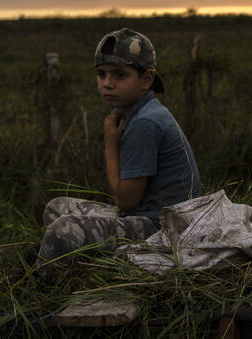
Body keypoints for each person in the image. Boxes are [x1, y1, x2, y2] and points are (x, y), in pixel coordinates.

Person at [37, 28, 202, 269]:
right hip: (147, 216)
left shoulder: (146, 122)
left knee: (64, 229)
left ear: (146, 79)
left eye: (119, 75)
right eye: (101, 75)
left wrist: (110, 145)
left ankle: (45, 287)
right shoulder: (134, 112)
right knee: (57, 208)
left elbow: (126, 202)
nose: (107, 84)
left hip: (166, 230)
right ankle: (82, 266)